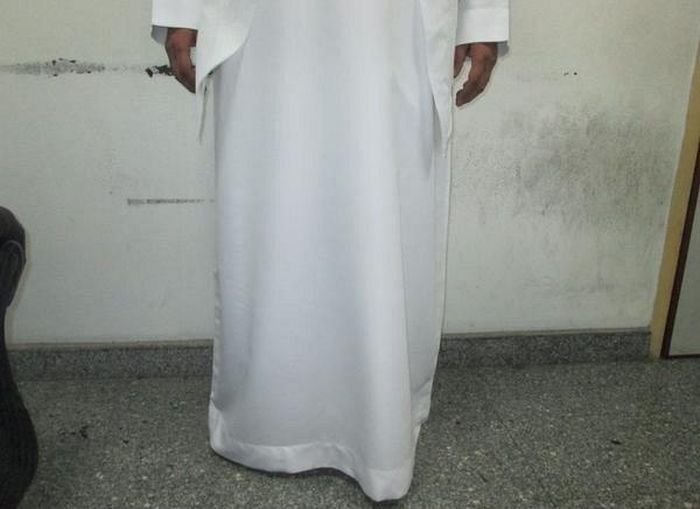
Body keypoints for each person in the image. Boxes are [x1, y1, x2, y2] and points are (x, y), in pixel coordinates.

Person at [151, 0, 509, 502]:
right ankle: (267, 421)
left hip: (391, 27)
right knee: (271, 206)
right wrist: (182, 12)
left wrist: (481, 18)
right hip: (267, 30)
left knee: (380, 205)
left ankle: (378, 433)